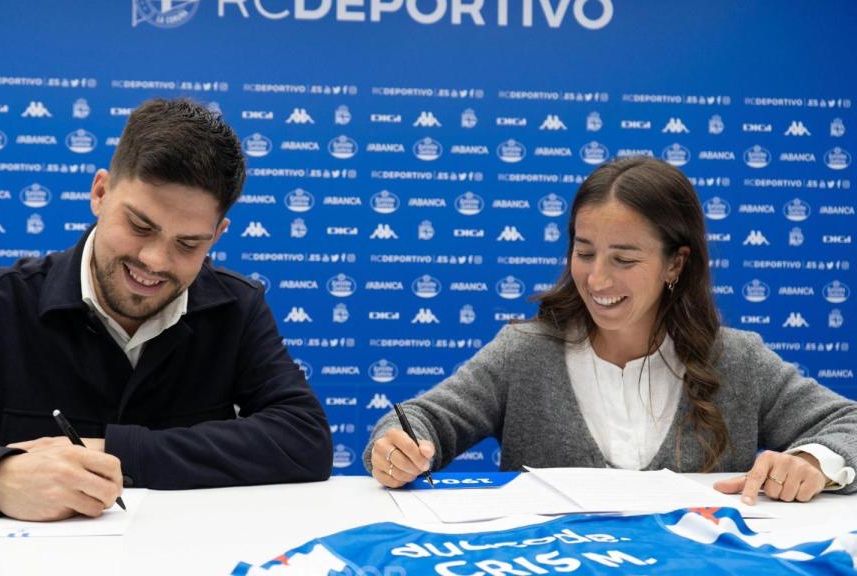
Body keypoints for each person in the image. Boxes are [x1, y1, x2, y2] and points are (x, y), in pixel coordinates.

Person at [0, 98, 332, 520]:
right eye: (139, 226)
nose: (155, 262)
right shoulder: (0, 304)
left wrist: (111, 450)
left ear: (217, 236)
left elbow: (304, 439)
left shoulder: (236, 307)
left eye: (188, 244)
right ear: (100, 193)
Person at [364, 156, 857, 505]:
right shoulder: (524, 352)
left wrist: (814, 463)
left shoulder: (737, 360)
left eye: (624, 259)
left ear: (675, 264)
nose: (597, 279)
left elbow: (847, 426)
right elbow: (417, 422)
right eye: (584, 252)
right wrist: (397, 446)